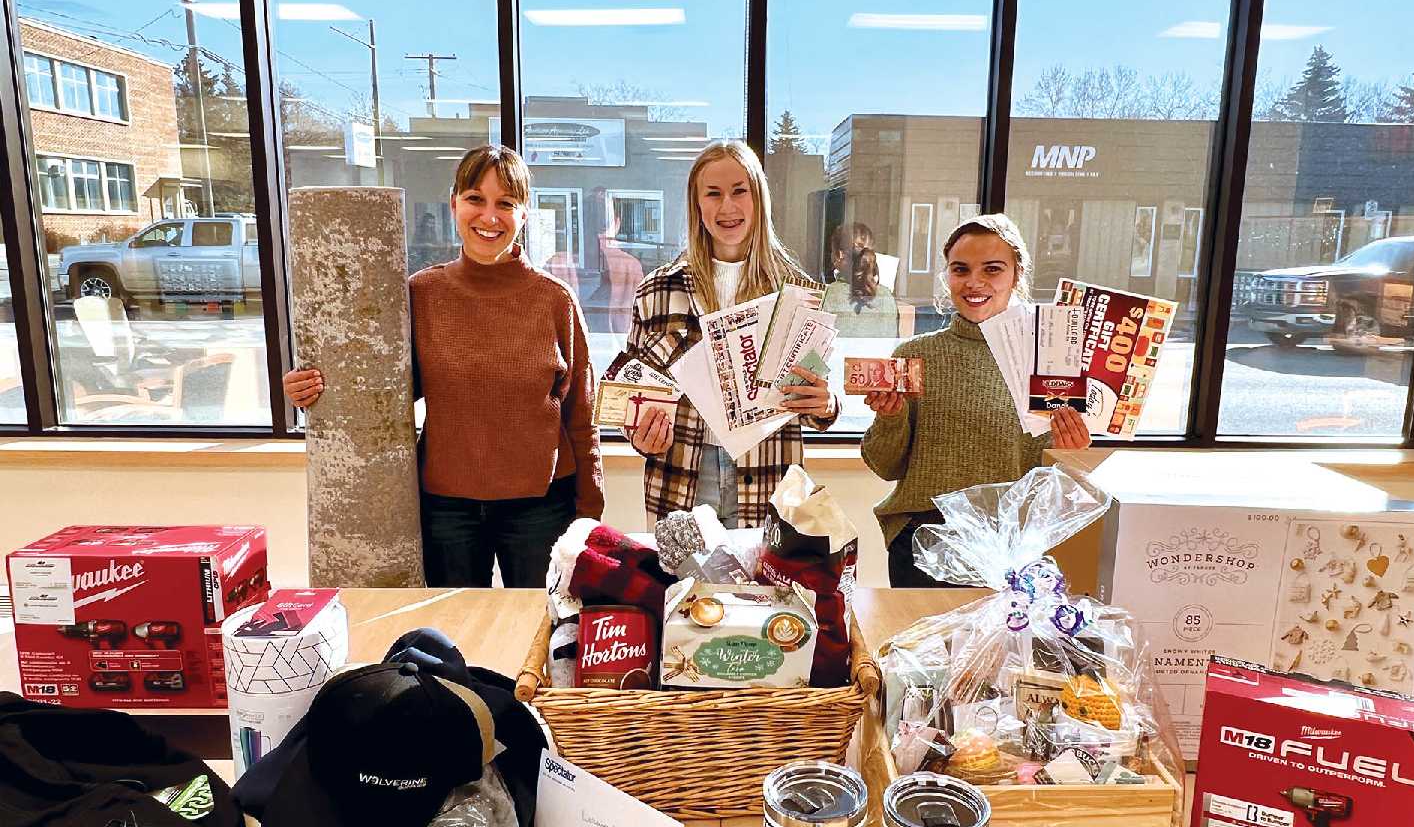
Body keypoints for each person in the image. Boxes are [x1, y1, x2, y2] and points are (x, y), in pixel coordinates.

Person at [282, 145, 604, 589]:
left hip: (541, 507)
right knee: (451, 637)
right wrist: (311, 388)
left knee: (536, 633)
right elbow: (379, 391)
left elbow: (581, 417)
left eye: (505, 204)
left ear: (524, 215)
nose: (489, 217)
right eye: (476, 198)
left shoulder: (554, 299)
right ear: (453, 203)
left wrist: (590, 514)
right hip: (447, 509)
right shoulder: (420, 293)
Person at [861, 213, 1091, 587]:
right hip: (924, 542)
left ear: (1017, 275)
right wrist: (891, 418)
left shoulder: (1049, 360)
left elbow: (1054, 487)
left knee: (1003, 647)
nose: (974, 283)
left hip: (1012, 546)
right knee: (928, 647)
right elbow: (885, 466)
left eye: (993, 269)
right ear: (947, 276)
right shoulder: (915, 355)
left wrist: (1072, 452)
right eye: (961, 269)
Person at [623, 139, 837, 527]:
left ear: (758, 199)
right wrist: (639, 434)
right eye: (714, 194)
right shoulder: (656, 291)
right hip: (682, 477)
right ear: (697, 204)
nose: (728, 207)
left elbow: (817, 402)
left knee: (762, 588)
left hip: (770, 477)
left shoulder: (796, 294)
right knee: (685, 589)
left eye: (740, 191)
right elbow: (632, 394)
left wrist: (825, 404)